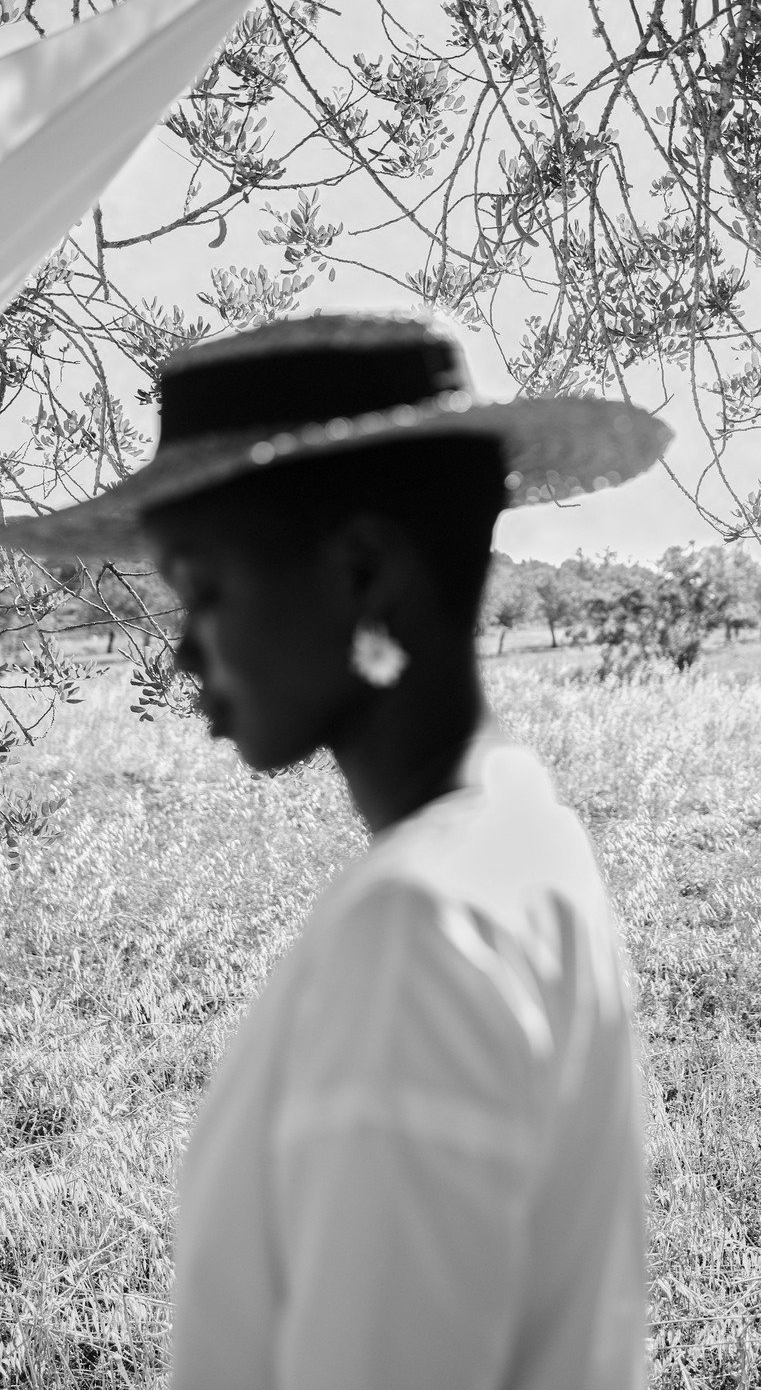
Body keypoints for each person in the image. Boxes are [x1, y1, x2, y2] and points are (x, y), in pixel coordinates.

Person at [0, 310, 672, 1390]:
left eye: (203, 589)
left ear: (362, 571)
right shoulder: (517, 835)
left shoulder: (419, 934)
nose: (181, 652)